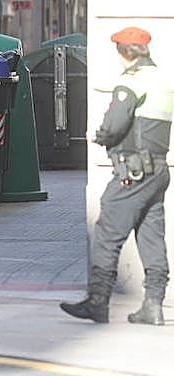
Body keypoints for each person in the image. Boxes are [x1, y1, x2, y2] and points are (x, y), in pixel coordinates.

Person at [61, 27, 173, 325]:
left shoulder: (131, 83)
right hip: (158, 170)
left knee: (108, 232)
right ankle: (153, 304)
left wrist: (99, 136)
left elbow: (114, 125)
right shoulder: (163, 80)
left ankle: (97, 302)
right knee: (152, 236)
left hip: (133, 171)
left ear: (124, 52)